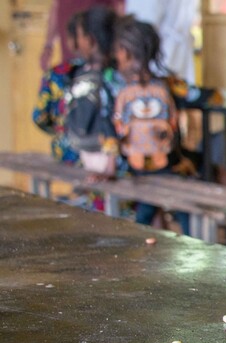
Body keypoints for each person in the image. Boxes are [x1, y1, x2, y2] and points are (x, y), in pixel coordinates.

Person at [112, 16, 190, 234]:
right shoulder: (166, 86)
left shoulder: (121, 90)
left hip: (137, 168)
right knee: (179, 208)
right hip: (166, 164)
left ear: (125, 52)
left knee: (146, 212)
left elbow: (118, 128)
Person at [33, 6, 119, 170]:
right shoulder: (122, 73)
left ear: (88, 40)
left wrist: (65, 128)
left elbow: (39, 118)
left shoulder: (59, 74)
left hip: (71, 153)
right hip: (119, 157)